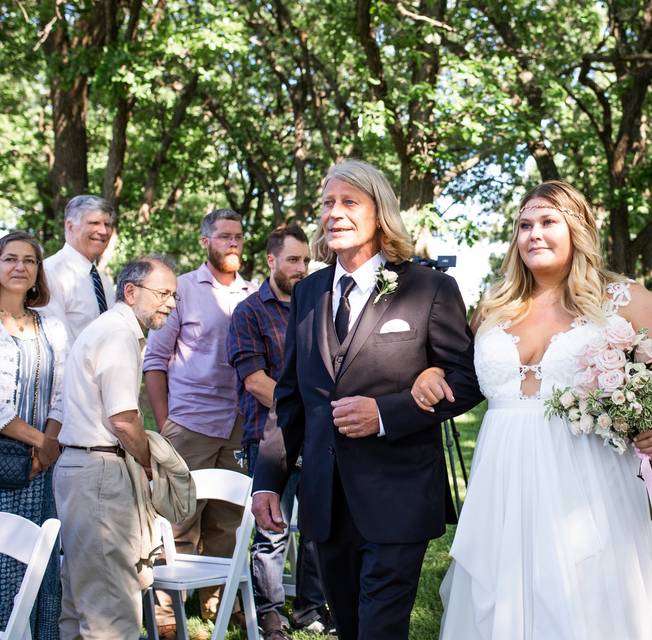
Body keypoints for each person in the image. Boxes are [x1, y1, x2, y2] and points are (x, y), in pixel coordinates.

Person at [413, 181, 652, 639]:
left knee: (587, 602)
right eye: (525, 225)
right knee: (499, 599)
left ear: (578, 229)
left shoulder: (624, 299)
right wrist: (430, 375)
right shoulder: (493, 305)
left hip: (589, 486)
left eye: (547, 222)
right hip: (502, 484)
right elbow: (460, 376)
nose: (533, 234)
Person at [251, 159, 483, 640]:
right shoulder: (309, 292)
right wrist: (268, 481)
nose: (334, 213)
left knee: (380, 628)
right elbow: (291, 395)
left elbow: (467, 377)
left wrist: (385, 413)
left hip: (398, 494)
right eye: (328, 203)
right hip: (325, 501)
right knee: (351, 628)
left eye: (349, 202)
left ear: (380, 213)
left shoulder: (428, 288)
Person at [143, 208, 256, 636]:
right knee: (179, 520)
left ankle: (217, 602)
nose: (232, 243)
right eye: (224, 236)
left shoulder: (253, 292)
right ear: (204, 241)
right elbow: (155, 360)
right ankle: (167, 614)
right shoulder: (183, 290)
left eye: (238, 236)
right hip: (188, 422)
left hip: (237, 425)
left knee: (227, 520)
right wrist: (166, 422)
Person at [55, 256, 179, 640]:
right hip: (99, 475)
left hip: (83, 470)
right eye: (163, 294)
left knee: (80, 606)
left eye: (174, 296)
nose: (171, 304)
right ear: (130, 291)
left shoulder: (108, 329)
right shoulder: (118, 333)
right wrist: (148, 465)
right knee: (113, 615)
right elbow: (124, 420)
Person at [226, 224, 332, 638]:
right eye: (293, 259)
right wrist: (309, 412)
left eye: (306, 260)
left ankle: (310, 607)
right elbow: (254, 380)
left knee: (317, 528)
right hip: (270, 438)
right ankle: (270, 613)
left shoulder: (317, 309)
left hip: (320, 439)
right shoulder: (248, 312)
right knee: (272, 530)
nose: (301, 267)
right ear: (271, 260)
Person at [0, 231, 68, 640]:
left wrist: (49, 446)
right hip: (4, 464)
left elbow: (61, 394)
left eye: (29, 260)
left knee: (40, 564)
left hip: (40, 470)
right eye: (10, 258)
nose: (20, 267)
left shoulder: (53, 327)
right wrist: (42, 442)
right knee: (4, 563)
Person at [43, 195, 116, 344]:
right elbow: (56, 344)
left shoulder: (103, 281)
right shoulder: (49, 273)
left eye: (107, 224)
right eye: (94, 223)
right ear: (70, 226)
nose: (103, 231)